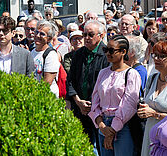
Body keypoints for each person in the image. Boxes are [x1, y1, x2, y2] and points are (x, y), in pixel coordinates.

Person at [88, 35, 141, 156]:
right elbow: (95, 100)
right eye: (105, 50)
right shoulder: (103, 72)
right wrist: (101, 125)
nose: (107, 53)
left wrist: (112, 130)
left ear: (123, 52)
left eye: (111, 50)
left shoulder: (132, 74)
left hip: (123, 126)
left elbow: (129, 104)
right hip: (103, 124)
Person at [66, 20, 109, 155]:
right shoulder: (78, 54)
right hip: (80, 109)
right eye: (85, 34)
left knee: (101, 148)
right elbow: (71, 80)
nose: (87, 38)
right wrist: (78, 102)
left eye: (91, 35)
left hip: (100, 111)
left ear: (101, 35)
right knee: (82, 147)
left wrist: (92, 106)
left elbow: (106, 85)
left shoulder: (107, 55)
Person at [138, 40, 167, 156]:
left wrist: (154, 114)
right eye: (155, 55)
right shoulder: (153, 78)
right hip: (149, 133)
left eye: (162, 56)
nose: (156, 59)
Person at [31, 20, 61, 97]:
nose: (37, 35)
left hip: (47, 97)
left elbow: (47, 83)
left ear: (49, 38)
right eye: (36, 32)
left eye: (42, 34)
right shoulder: (31, 52)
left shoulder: (51, 55)